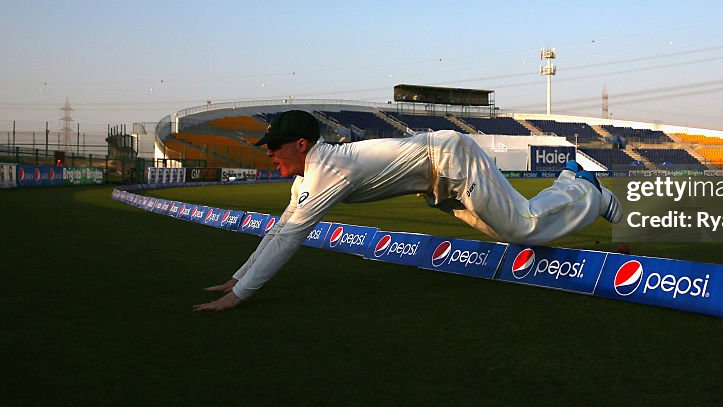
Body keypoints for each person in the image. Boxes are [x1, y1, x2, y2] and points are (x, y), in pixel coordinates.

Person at [194, 109, 621, 311]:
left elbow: (289, 237)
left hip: (451, 161)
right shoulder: (309, 175)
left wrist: (241, 296)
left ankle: (590, 192)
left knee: (524, 228)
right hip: (437, 178)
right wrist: (236, 279)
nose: (269, 154)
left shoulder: (327, 169)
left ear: (301, 145)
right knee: (514, 228)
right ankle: (571, 182)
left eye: (273, 147)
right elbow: (281, 227)